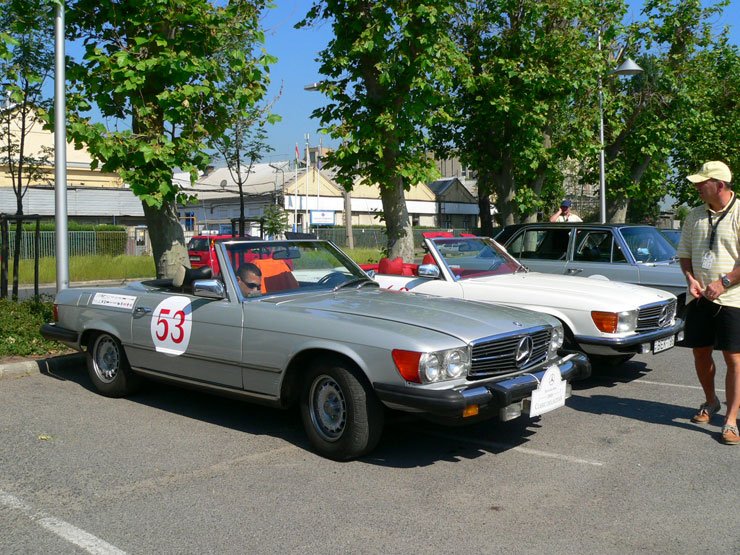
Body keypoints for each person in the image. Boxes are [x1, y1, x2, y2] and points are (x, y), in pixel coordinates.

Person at [677, 160, 739, 445]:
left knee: (734, 359)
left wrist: (723, 282)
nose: (697, 187)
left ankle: (731, 420)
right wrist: (690, 279)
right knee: (700, 353)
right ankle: (711, 401)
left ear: (720, 185)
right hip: (699, 297)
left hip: (733, 299)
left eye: (703, 182)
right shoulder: (694, 216)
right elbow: (685, 254)